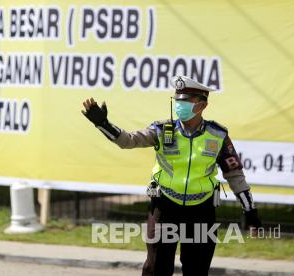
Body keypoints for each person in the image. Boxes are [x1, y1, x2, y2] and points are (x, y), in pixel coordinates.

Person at [81, 75, 262, 276]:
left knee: (197, 269)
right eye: (177, 101)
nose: (179, 105)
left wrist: (250, 212)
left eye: (185, 101)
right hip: (164, 208)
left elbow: (234, 174)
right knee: (156, 268)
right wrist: (104, 124)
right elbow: (128, 141)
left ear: (201, 105)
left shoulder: (217, 135)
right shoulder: (161, 130)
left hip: (201, 211)